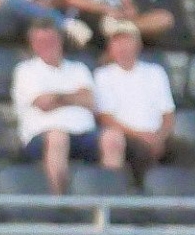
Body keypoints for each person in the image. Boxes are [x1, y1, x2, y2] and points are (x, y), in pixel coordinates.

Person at [12, 22, 122, 194]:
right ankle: (58, 201)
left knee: (113, 138)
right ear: (32, 44)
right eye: (40, 41)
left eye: (51, 40)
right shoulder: (26, 70)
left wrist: (57, 97)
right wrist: (74, 96)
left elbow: (90, 101)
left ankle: (111, 201)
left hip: (84, 134)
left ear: (60, 40)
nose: (46, 45)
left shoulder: (79, 68)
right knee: (58, 137)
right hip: (42, 136)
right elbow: (44, 103)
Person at [94, 22, 176, 176]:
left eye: (127, 41)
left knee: (186, 151)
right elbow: (105, 118)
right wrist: (141, 136)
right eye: (117, 42)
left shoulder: (156, 72)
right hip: (128, 136)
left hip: (157, 135)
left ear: (138, 45)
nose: (122, 47)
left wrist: (160, 137)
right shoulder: (102, 75)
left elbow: (168, 114)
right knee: (141, 150)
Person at [56, 0, 175, 41]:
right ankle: (121, 31)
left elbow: (128, 4)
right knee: (108, 22)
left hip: (119, 19)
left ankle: (123, 29)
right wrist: (107, 9)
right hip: (89, 18)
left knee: (165, 18)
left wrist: (129, 9)